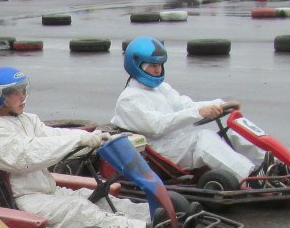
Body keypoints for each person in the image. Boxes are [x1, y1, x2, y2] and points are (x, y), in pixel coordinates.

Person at [0, 67, 162, 228]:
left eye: (23, 90)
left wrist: (90, 139)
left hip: (47, 191)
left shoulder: (26, 119)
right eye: (15, 93)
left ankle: (155, 217)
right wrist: (76, 140)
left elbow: (51, 135)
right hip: (24, 200)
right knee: (77, 209)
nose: (22, 95)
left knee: (94, 198)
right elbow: (27, 155)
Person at [110, 38, 271, 186]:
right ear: (138, 65)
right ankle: (251, 178)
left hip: (176, 142)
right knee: (203, 140)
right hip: (159, 151)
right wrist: (199, 113)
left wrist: (220, 104)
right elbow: (157, 125)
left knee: (230, 129)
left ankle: (273, 163)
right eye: (152, 65)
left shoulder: (160, 88)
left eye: (159, 65)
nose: (158, 70)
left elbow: (185, 105)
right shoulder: (129, 100)